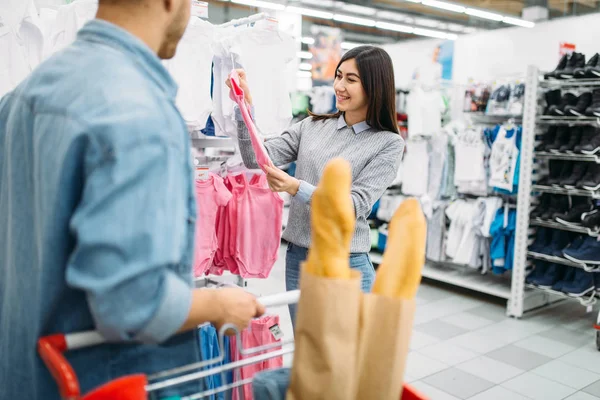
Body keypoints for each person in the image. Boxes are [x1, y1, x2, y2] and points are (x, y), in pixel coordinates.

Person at [0, 0, 264, 399]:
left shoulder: (22, 98)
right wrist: (218, 304)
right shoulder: (137, 110)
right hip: (105, 382)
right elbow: (133, 304)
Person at [228, 46, 404, 324]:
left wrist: (297, 187)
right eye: (338, 76)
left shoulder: (388, 143)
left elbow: (354, 204)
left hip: (347, 263)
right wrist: (244, 108)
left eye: (351, 79)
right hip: (299, 258)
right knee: (307, 354)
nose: (339, 86)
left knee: (346, 359)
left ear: (374, 85)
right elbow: (256, 158)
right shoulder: (311, 126)